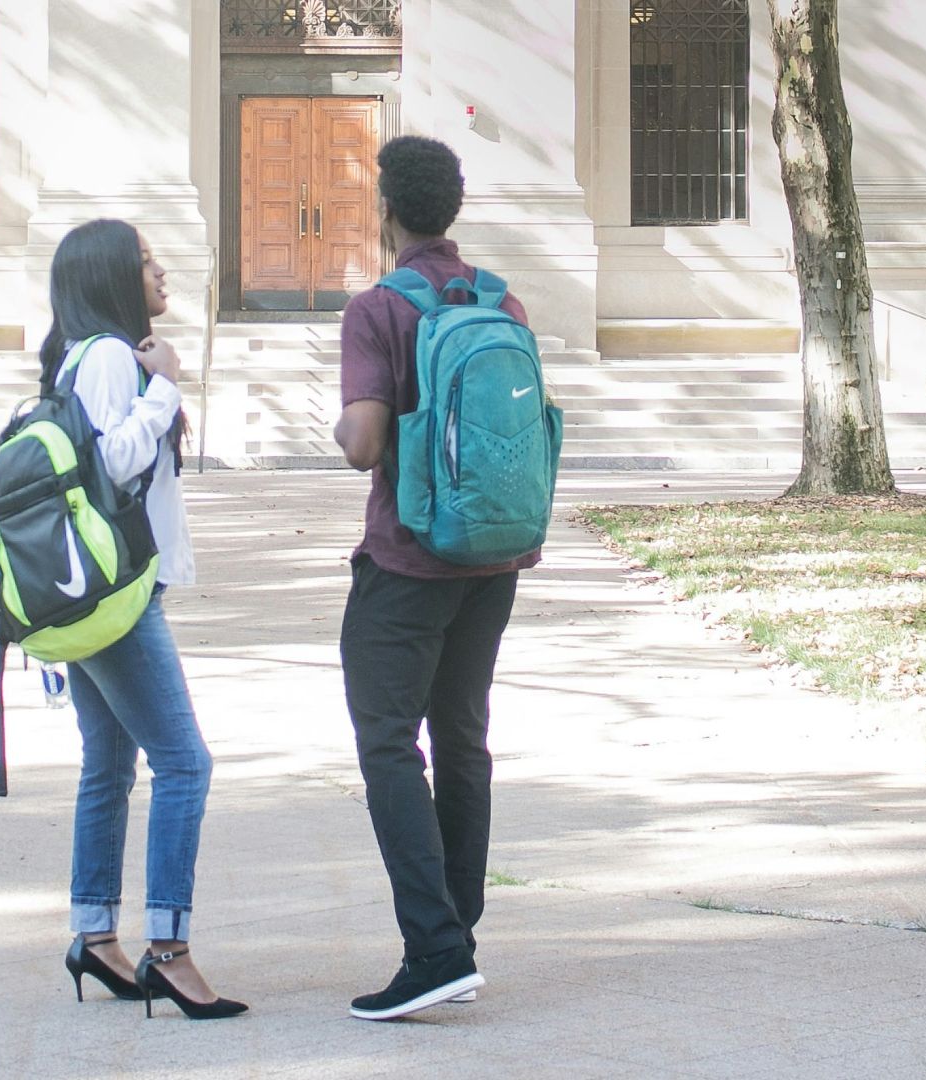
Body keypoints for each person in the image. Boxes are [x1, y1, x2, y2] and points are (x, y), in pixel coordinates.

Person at [331, 136, 537, 1021]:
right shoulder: (503, 300)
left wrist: (342, 420)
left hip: (408, 560)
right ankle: (459, 930)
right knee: (462, 739)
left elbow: (364, 445)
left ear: (387, 212)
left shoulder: (379, 308)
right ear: (450, 208)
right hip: (493, 557)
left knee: (387, 743)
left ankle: (435, 947)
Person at [43, 218, 246, 1021]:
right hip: (116, 593)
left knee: (109, 765)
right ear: (109, 279)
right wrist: (165, 388)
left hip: (98, 588)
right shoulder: (102, 359)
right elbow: (111, 464)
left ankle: (94, 937)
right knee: (185, 764)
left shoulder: (87, 355)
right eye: (146, 262)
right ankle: (168, 950)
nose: (162, 272)